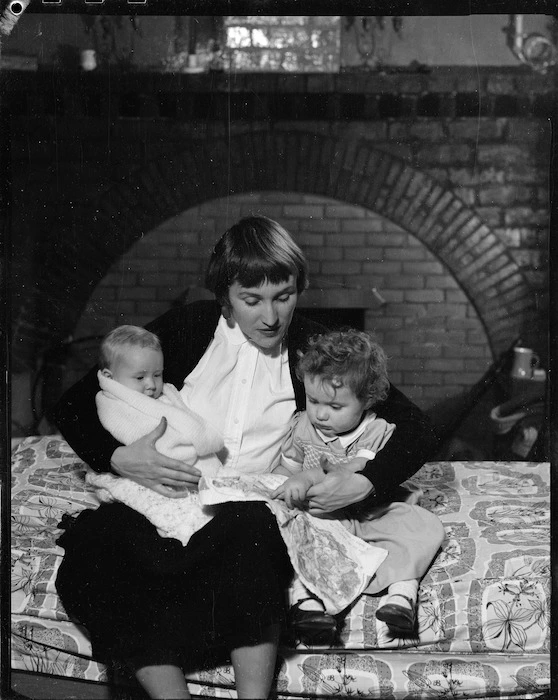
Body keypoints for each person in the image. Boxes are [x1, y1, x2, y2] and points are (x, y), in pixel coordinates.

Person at [53, 215, 439, 699]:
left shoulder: (313, 349)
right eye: (251, 300)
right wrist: (118, 458)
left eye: (284, 296)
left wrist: (368, 482)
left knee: (253, 530)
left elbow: (418, 426)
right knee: (96, 544)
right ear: (225, 296)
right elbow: (71, 403)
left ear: (299, 288)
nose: (272, 317)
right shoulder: (189, 326)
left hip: (251, 510)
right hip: (170, 494)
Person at [272, 329, 445, 635]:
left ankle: (402, 597)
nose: (321, 414)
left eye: (336, 407)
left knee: (419, 529)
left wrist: (308, 478)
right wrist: (291, 485)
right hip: (322, 516)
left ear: (367, 400)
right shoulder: (300, 427)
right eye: (313, 400)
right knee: (296, 543)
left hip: (364, 509)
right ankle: (307, 606)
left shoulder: (374, 429)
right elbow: (287, 469)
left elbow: (352, 469)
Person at [87, 324, 224, 546]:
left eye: (157, 375)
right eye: (140, 378)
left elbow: (188, 419)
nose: (151, 385)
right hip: (151, 474)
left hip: (183, 475)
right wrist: (184, 449)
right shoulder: (112, 402)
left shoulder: (165, 394)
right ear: (109, 377)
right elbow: (148, 441)